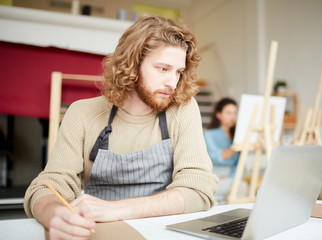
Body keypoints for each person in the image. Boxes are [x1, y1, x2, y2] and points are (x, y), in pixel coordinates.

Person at [24, 15, 218, 240]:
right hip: (99, 232)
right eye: (163, 69)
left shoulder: (182, 109)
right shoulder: (83, 113)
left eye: (178, 72)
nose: (172, 83)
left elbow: (198, 190)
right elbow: (48, 186)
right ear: (133, 65)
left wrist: (116, 209)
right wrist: (53, 213)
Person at [204, 97, 240, 177]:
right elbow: (215, 158)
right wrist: (234, 148)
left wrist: (230, 176)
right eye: (229, 113)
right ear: (218, 115)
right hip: (213, 174)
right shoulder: (209, 134)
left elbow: (238, 163)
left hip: (232, 175)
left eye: (235, 113)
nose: (233, 117)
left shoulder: (237, 135)